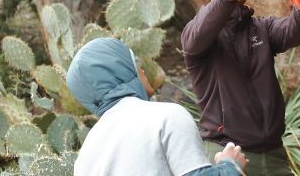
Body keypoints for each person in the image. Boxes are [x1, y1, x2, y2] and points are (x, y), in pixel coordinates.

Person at [181, 0, 300, 175]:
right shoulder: (197, 32)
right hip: (226, 154)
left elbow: (298, 31)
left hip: (274, 154)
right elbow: (196, 38)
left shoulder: (261, 28)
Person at [66, 37, 248, 176]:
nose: (142, 69)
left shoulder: (86, 153)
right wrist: (230, 165)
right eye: (134, 64)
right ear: (122, 73)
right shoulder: (167, 117)